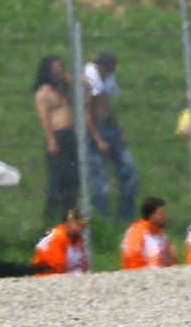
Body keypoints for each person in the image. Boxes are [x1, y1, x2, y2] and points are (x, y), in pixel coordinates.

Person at [83, 48, 139, 219]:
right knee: (100, 177)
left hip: (110, 128)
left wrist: (118, 130)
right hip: (94, 131)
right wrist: (98, 138)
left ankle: (125, 215)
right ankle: (102, 218)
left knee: (130, 171)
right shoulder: (88, 79)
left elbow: (107, 107)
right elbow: (86, 111)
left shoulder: (108, 77)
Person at [33, 54, 80, 224]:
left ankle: (68, 216)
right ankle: (49, 217)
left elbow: (81, 95)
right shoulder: (43, 93)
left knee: (73, 179)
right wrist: (51, 139)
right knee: (57, 181)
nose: (60, 70)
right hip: (57, 137)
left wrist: (69, 80)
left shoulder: (61, 91)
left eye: (61, 67)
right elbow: (44, 118)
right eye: (56, 68)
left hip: (71, 137)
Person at [121, 197, 177, 269]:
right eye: (161, 214)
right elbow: (131, 256)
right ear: (151, 216)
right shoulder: (137, 232)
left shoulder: (161, 234)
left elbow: (170, 260)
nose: (165, 217)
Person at [31, 208, 90, 275]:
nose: (82, 227)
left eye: (84, 224)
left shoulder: (77, 239)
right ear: (70, 222)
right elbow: (56, 271)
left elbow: (84, 267)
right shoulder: (57, 238)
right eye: (79, 223)